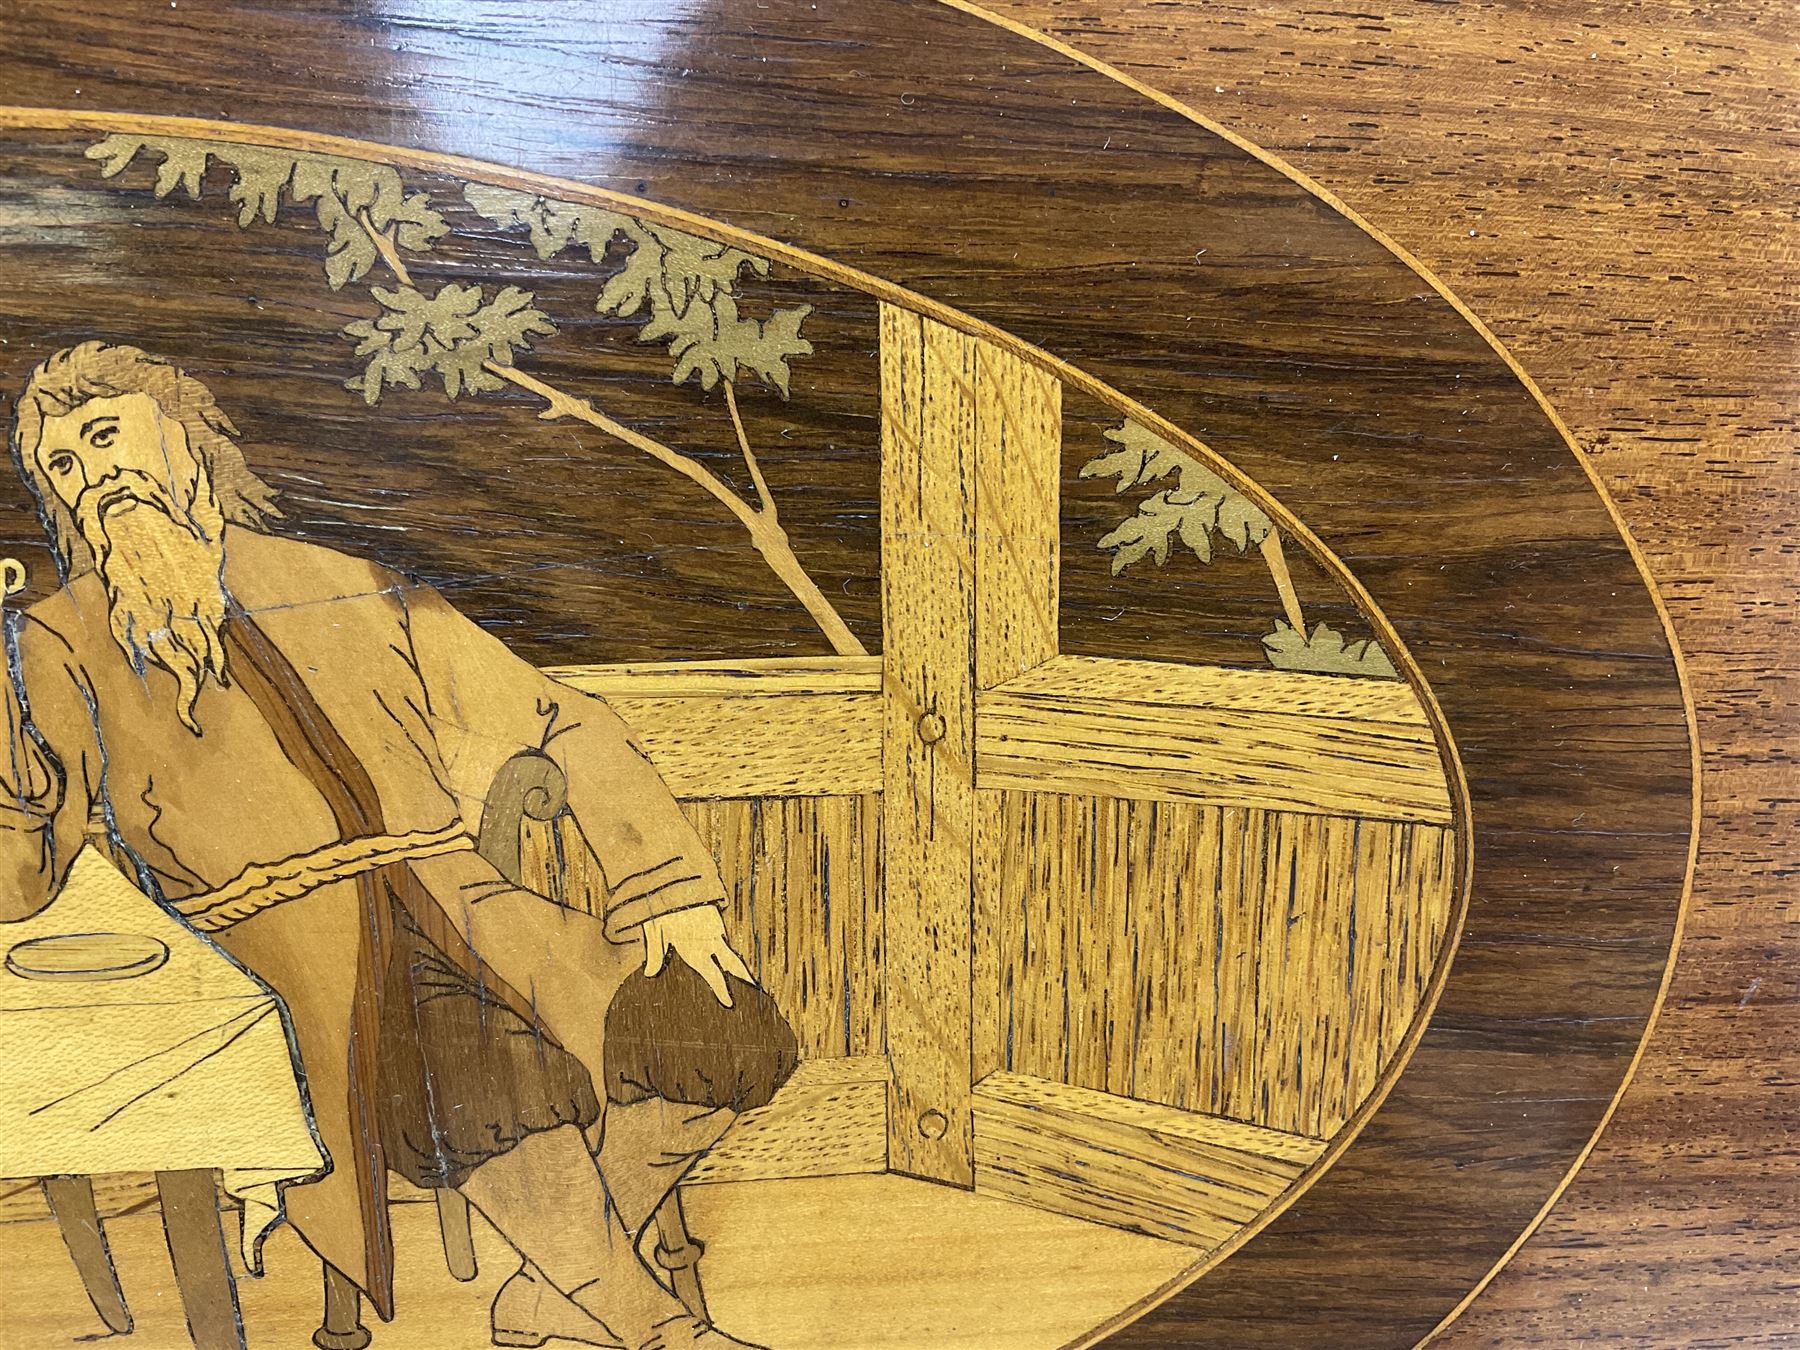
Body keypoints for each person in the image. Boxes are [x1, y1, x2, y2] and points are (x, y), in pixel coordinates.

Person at [0, 341, 797, 1350]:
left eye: (106, 435)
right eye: (62, 467)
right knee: (484, 1073)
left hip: (461, 899)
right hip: (281, 949)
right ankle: (657, 1332)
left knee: (721, 1028)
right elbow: (29, 869)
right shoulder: (60, 641)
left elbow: (559, 717)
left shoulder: (352, 581)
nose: (94, 475)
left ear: (183, 431)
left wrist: (665, 886)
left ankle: (554, 1290)